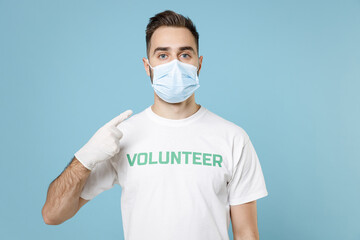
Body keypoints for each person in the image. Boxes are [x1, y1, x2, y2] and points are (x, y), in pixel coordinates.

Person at [42, 9, 268, 240]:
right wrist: (85, 158)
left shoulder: (233, 138)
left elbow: (246, 232)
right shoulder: (121, 137)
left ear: (199, 64)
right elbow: (53, 214)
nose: (175, 65)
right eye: (162, 55)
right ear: (147, 65)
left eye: (184, 55)